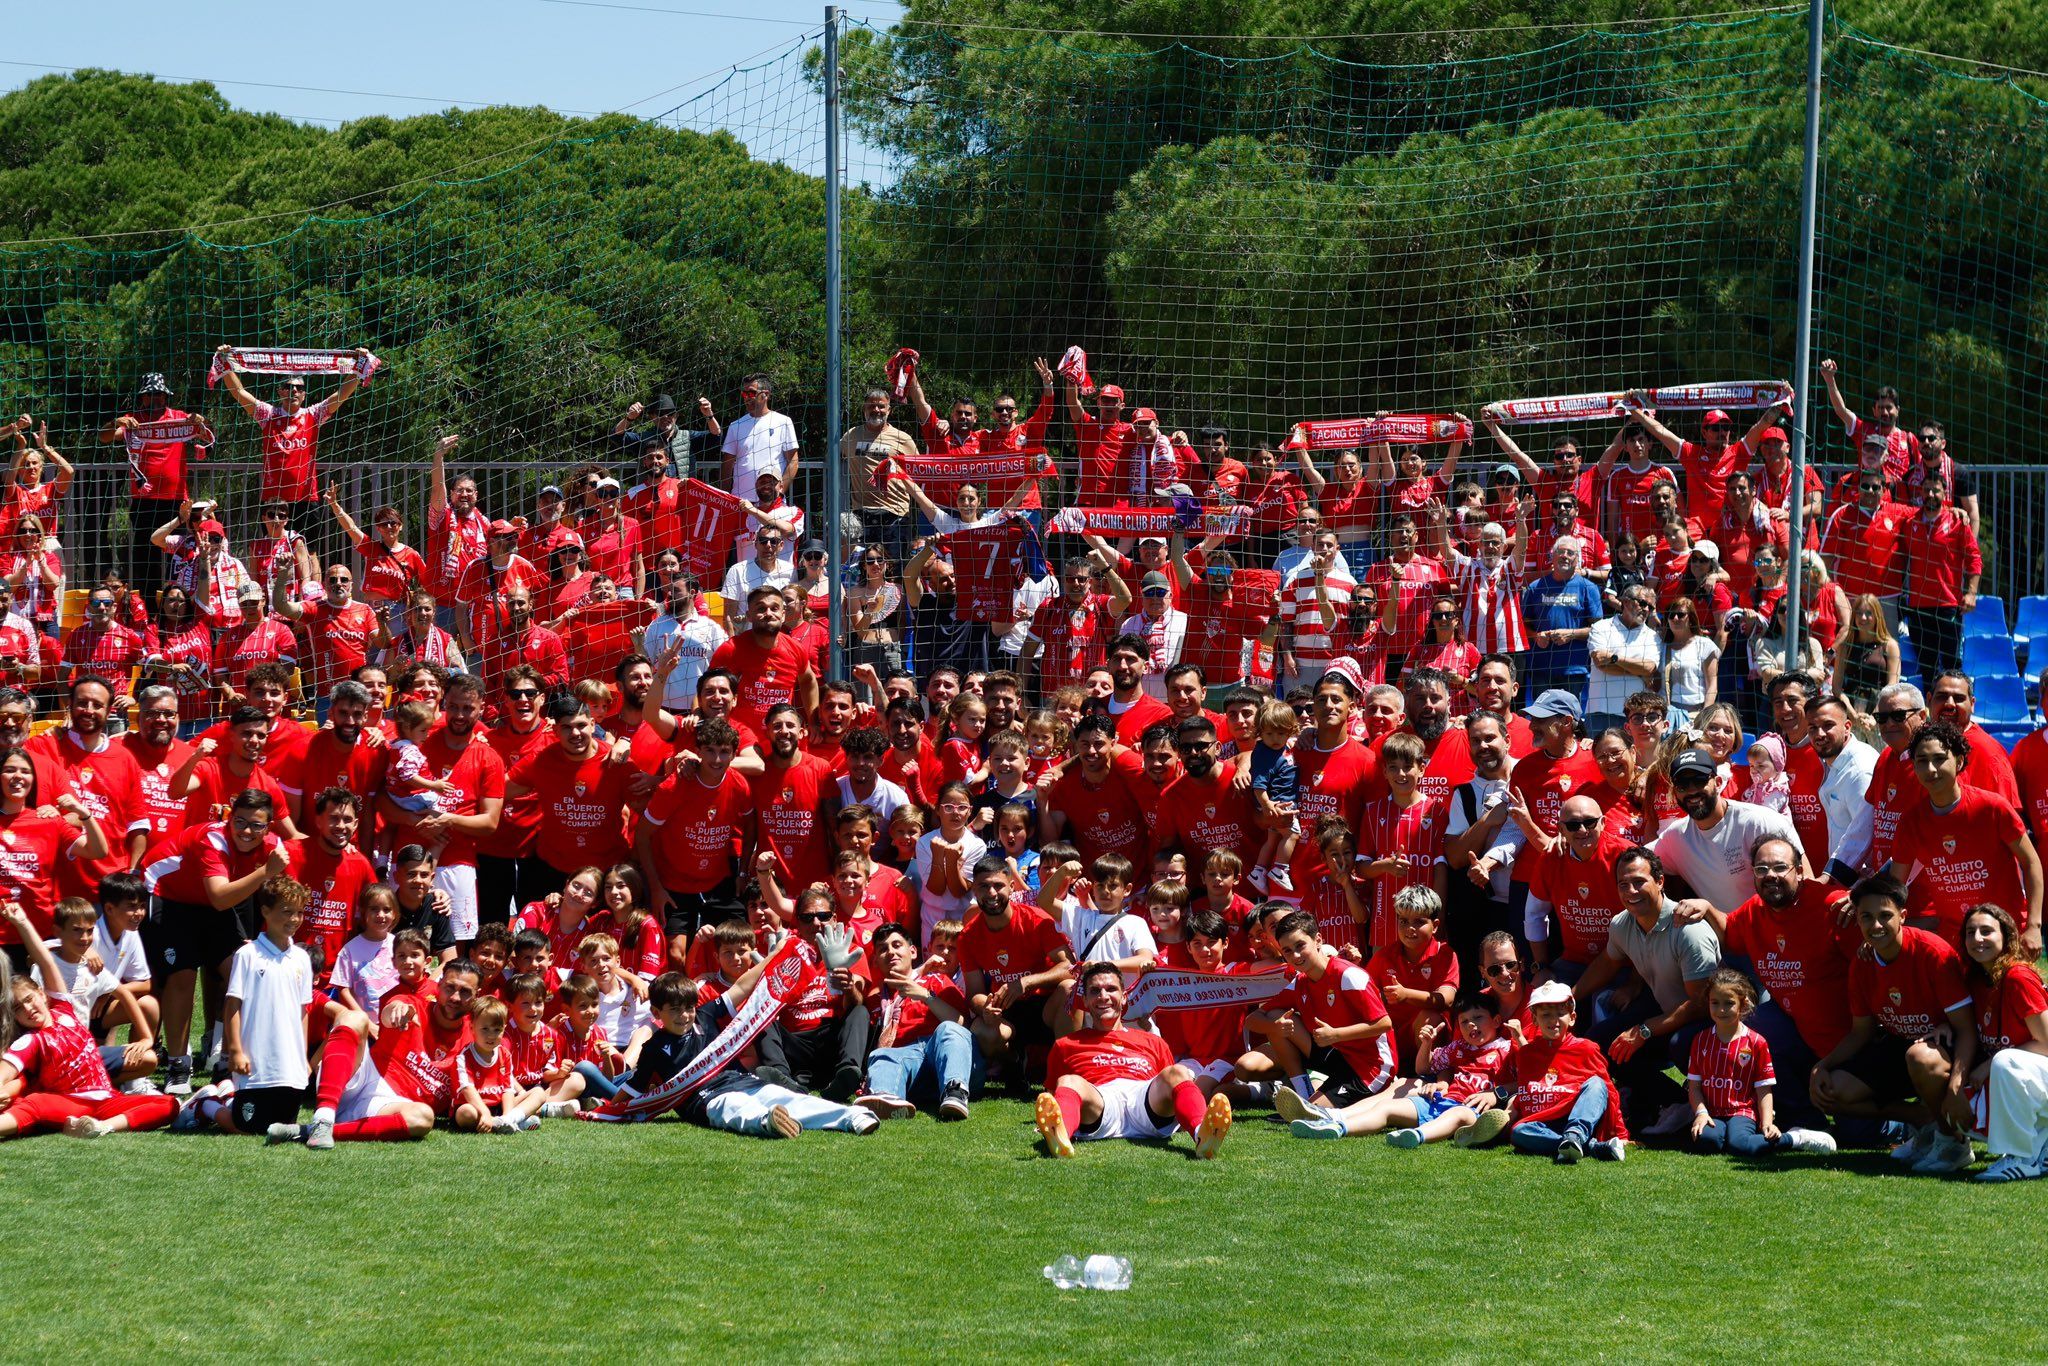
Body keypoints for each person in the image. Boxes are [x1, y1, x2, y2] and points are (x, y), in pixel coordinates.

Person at [1809, 876, 1978, 1174]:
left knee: (1920, 1057)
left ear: (1902, 915)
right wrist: (1822, 1066)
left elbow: (1966, 1028)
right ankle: (1923, 1122)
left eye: (1885, 916)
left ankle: (1953, 1144)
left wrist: (1955, 1085)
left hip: (1946, 1049)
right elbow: (1861, 1033)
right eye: (1867, 917)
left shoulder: (1933, 953)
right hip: (1902, 1046)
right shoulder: (1862, 963)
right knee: (1831, 1090)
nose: (1875, 926)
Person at [1568, 845, 1722, 1136]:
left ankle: (1711, 1105)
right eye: (1623, 884)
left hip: (1708, 1025)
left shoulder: (1689, 930)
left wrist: (1645, 1030)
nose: (1630, 891)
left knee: (1678, 1043)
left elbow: (1703, 1004)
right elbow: (1607, 963)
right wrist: (1570, 996)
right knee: (1600, 1043)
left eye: (1639, 881)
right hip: (1666, 1014)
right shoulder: (1622, 924)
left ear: (1660, 881)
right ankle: (1673, 1103)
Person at [0, 904, 177, 1142]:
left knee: (169, 1104)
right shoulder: (31, 1040)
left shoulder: (64, 1010)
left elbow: (47, 963)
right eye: (18, 1008)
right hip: (67, 1101)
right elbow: (6, 1069)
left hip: (106, 1100)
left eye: (30, 1000)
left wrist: (22, 922)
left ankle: (103, 1127)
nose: (29, 1009)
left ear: (43, 994)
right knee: (34, 1104)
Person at [1033, 961, 1233, 1159]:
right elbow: (1054, 1094)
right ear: (1084, 1000)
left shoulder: (1153, 1041)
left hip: (1144, 1099)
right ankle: (1060, 1135)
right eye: (1095, 991)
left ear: (1124, 997)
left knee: (1177, 1072)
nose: (1103, 996)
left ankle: (1202, 1133)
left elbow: (1170, 1089)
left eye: (1111, 989)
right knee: (1069, 1081)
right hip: (1100, 1103)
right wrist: (1056, 1117)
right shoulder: (1066, 1044)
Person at [1878, 721, 2042, 953]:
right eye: (1922, 761)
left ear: (1959, 761)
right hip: (1955, 940)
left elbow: (2031, 862)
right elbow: (1895, 887)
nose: (1931, 769)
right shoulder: (1911, 822)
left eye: (1939, 759)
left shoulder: (1992, 808)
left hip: (2005, 932)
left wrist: (2034, 926)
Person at [1684, 967, 1837, 1155]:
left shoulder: (1756, 1042)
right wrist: (1701, 1113)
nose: (1721, 1010)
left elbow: (1763, 1089)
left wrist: (1767, 1124)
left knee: (1741, 1145)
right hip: (1712, 1112)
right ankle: (1724, 1135)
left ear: (1743, 1004)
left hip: (1742, 1112)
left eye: (1729, 1003)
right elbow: (1695, 1086)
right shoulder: (1700, 1040)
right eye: (1715, 1003)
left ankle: (1796, 1138)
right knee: (1706, 1140)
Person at [211, 345, 370, 511]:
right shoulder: (268, 414)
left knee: (308, 539)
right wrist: (225, 364)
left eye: (299, 388)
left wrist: (359, 368)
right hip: (274, 500)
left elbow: (341, 395)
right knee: (272, 539)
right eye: (287, 386)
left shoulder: (314, 414)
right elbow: (239, 392)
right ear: (279, 392)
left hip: (306, 499)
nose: (293, 390)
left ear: (304, 395)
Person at [100, 374, 216, 594]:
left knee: (179, 557)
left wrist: (200, 420)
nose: (156, 399)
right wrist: (116, 421)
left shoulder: (179, 418)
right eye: (150, 394)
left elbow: (208, 432)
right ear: (142, 397)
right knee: (145, 560)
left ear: (166, 396)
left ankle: (178, 606)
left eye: (160, 394)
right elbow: (104, 437)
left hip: (176, 502)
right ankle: (147, 610)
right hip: (144, 502)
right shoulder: (132, 420)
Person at [855, 920, 974, 1121]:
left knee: (948, 1029)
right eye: (883, 949)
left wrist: (926, 996)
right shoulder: (875, 1000)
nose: (891, 952)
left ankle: (955, 1091)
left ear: (913, 952)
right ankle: (886, 1097)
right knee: (883, 1054)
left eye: (897, 945)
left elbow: (963, 1027)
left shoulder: (936, 981)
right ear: (875, 960)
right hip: (909, 1066)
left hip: (943, 1056)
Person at [1653, 746, 1800, 908]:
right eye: (1682, 785)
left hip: (1775, 927)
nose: (1692, 790)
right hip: (1727, 930)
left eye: (1699, 780)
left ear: (1718, 782)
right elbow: (1635, 859)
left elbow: (1804, 878)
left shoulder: (1761, 822)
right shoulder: (1675, 838)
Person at [1504, 979, 1628, 1162]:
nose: (1553, 1020)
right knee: (1519, 1132)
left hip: (1580, 1117)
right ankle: (1589, 1146)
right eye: (1546, 1014)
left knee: (1596, 1084)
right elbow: (1527, 1089)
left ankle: (1575, 1136)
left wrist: (1621, 1133)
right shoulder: (1526, 1054)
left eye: (1560, 1014)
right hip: (1544, 1124)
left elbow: (1608, 1091)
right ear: (1534, 1019)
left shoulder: (1586, 1048)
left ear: (1572, 1018)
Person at [1898, 477, 1980, 686]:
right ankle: (1931, 716)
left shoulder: (1957, 522)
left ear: (1945, 494)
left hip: (1948, 607)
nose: (1931, 495)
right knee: (1927, 669)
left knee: (1953, 667)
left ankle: (1956, 715)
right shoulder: (1909, 523)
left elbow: (1974, 558)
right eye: (1926, 490)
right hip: (1918, 608)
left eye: (1936, 490)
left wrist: (1971, 593)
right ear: (1921, 493)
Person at [1519, 538, 1603, 698]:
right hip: (1541, 668)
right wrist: (1536, 636)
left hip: (1574, 669)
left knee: (1569, 720)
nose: (1565, 556)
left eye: (1570, 553)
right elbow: (1523, 625)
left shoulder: (1588, 588)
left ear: (1577, 559)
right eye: (1560, 551)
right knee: (1542, 718)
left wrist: (1571, 634)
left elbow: (1599, 630)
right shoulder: (1536, 587)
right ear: (1552, 556)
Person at [1584, 585, 1661, 733]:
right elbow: (1600, 663)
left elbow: (1649, 668)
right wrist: (1639, 673)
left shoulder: (1653, 636)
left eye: (1650, 607)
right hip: (1600, 712)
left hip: (1636, 715)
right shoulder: (1601, 627)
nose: (1646, 610)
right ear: (1626, 602)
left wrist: (1614, 658)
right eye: (1643, 603)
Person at [721, 373, 800, 503]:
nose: (747, 398)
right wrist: (725, 498)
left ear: (766, 395)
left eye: (751, 393)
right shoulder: (735, 426)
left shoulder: (783, 422)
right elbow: (727, 465)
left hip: (771, 503)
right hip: (740, 502)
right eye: (744, 394)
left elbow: (793, 461)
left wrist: (779, 493)